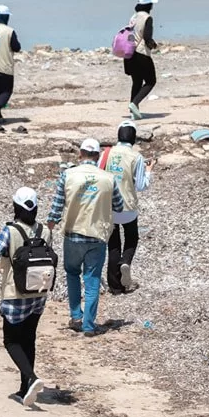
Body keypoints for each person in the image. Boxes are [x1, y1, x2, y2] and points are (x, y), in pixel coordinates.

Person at [47, 138, 124, 336]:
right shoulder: (108, 178)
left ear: (80, 154)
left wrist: (50, 225)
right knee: (92, 280)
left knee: (72, 274)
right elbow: (119, 206)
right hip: (97, 236)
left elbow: (57, 205)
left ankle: (76, 317)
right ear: (97, 156)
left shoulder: (68, 175)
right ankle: (89, 325)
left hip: (73, 234)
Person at [0, 187, 50, 406]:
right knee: (29, 339)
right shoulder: (45, 231)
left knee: (11, 341)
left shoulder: (10, 231)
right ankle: (25, 389)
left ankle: (31, 378)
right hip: (39, 294)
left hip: (15, 294)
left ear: (15, 207)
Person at [98, 121, 153, 295]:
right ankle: (126, 261)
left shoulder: (106, 153)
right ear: (134, 138)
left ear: (118, 136)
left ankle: (115, 287)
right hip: (128, 207)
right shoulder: (136, 157)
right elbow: (141, 186)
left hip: (109, 207)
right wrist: (149, 170)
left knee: (113, 244)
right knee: (132, 237)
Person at [124, 0, 158, 120]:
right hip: (141, 54)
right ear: (149, 5)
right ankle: (134, 103)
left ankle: (133, 112)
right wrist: (154, 45)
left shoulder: (133, 17)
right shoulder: (147, 18)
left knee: (137, 81)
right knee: (151, 81)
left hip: (130, 53)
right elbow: (147, 38)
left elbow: (130, 35)